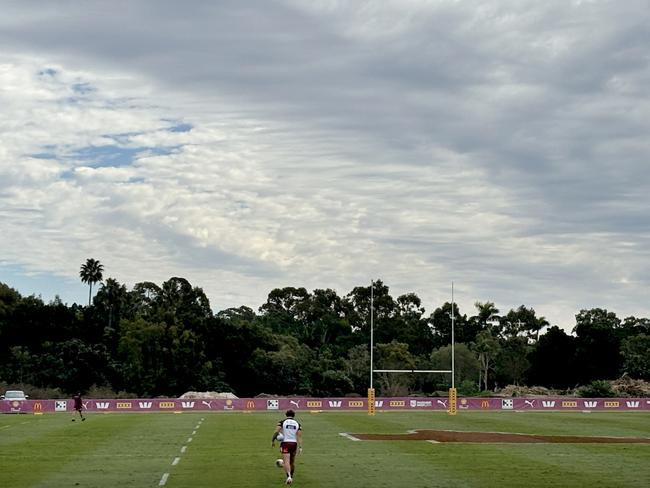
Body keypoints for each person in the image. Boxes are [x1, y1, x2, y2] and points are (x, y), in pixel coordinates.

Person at [272, 409, 302, 485]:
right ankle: (291, 476)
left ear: (286, 415)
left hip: (285, 443)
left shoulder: (282, 422)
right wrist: (300, 447)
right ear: (294, 415)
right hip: (294, 444)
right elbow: (299, 436)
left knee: (286, 461)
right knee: (292, 462)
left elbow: (276, 432)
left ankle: (288, 477)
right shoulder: (297, 424)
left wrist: (273, 440)